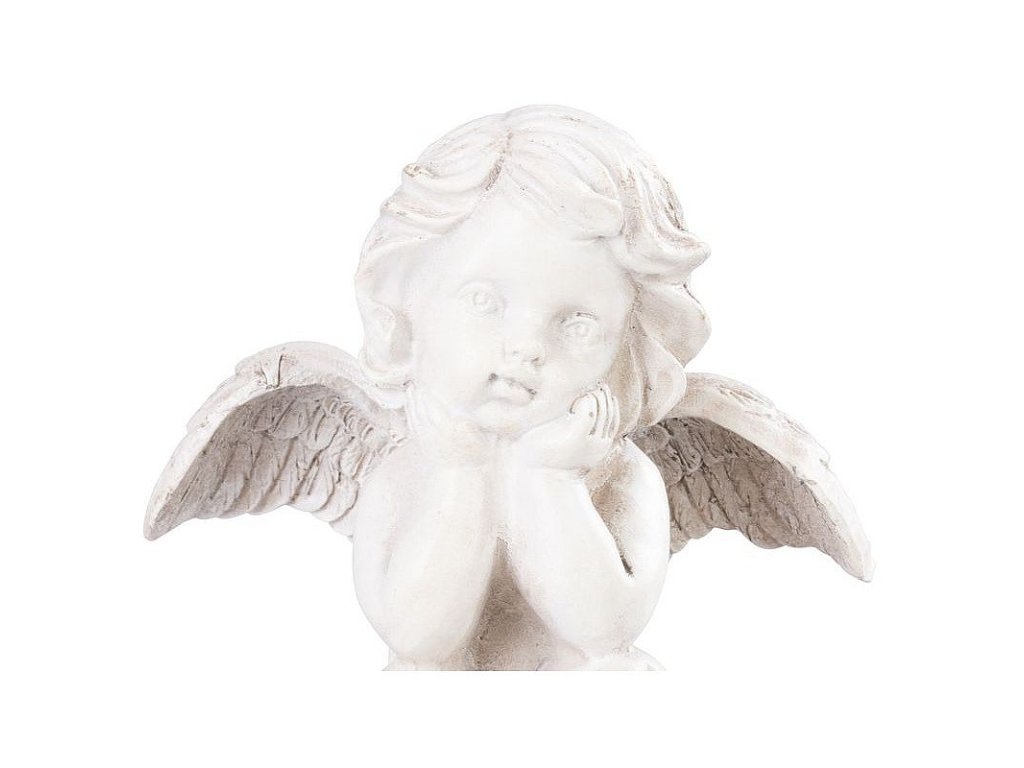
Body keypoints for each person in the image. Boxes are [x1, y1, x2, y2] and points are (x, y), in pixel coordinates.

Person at [350, 105, 710, 669]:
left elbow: (601, 632)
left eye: (577, 324)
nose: (526, 347)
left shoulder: (621, 474)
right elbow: (418, 639)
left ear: (628, 348)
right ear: (403, 305)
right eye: (484, 301)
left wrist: (553, 478)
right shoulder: (405, 469)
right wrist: (459, 473)